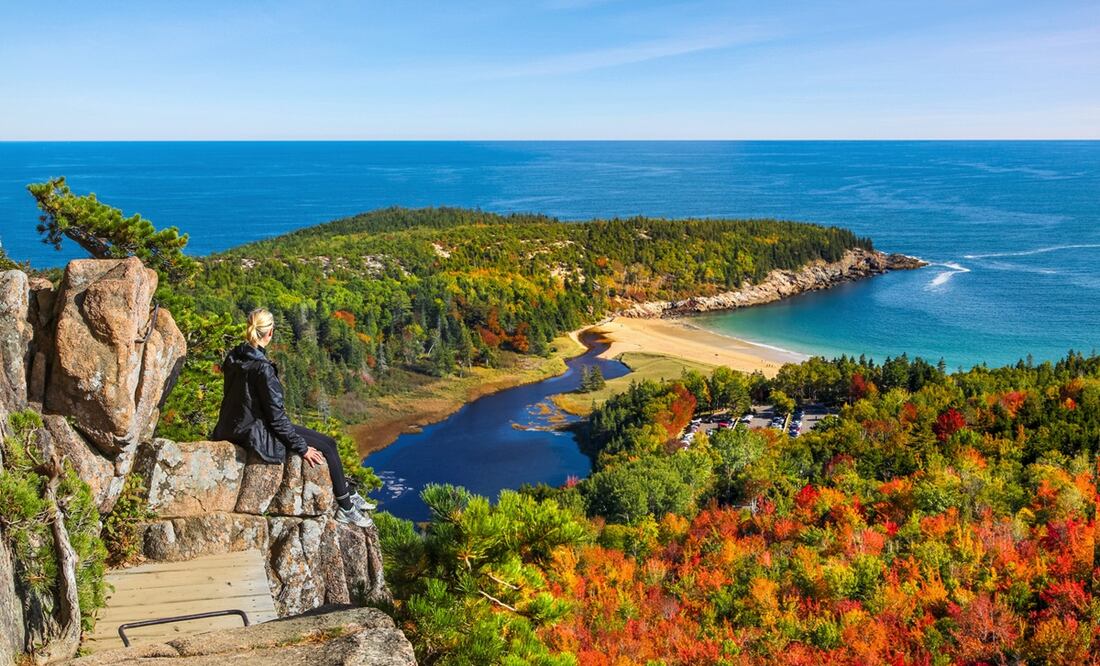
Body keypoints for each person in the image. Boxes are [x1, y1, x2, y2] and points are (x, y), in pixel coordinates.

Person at [212, 308, 375, 528]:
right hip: (255, 430)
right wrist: (302, 448)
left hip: (232, 426)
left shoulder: (235, 356)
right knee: (327, 446)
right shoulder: (263, 368)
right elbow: (277, 419)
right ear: (270, 332)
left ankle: (347, 492)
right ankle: (345, 507)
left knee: (324, 443)